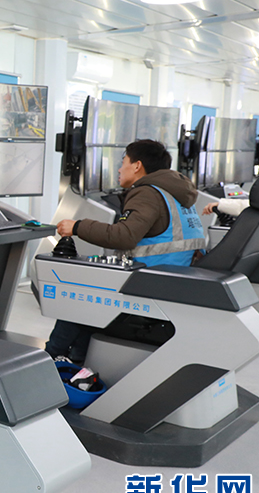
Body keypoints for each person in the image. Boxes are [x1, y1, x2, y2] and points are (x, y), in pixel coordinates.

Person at [46, 139, 205, 364]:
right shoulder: (177, 195)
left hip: (149, 289)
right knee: (91, 295)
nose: (120, 169)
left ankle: (49, 359)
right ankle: (78, 361)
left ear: (137, 165)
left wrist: (77, 226)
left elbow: (124, 236)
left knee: (79, 295)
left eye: (123, 162)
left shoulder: (147, 193)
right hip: (172, 285)